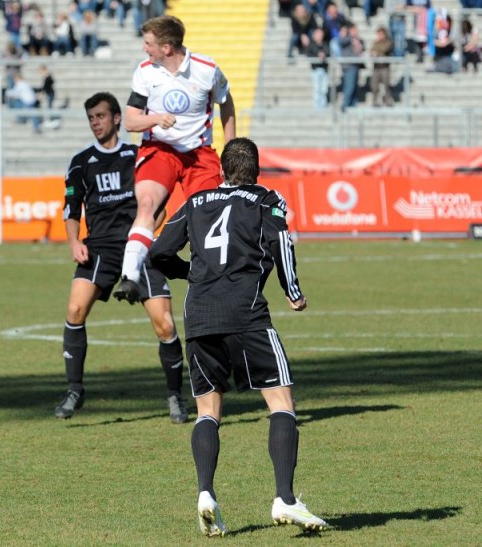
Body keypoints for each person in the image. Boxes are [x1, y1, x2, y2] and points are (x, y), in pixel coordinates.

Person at [148, 137, 328, 537]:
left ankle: (205, 494)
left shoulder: (195, 201)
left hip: (199, 316)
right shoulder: (267, 199)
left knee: (207, 410)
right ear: (257, 170)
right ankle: (285, 497)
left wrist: (189, 273)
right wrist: (292, 291)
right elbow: (281, 241)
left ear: (221, 171)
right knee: (281, 402)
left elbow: (159, 252)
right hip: (246, 313)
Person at [55, 91, 189, 424]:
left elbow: (160, 204)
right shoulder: (81, 162)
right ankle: (74, 390)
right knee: (74, 310)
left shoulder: (136, 156)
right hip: (99, 248)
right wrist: (74, 242)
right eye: (91, 118)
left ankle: (175, 395)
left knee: (165, 325)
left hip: (137, 247)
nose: (95, 123)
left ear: (117, 118)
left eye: (100, 116)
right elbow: (71, 209)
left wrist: (149, 232)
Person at [113, 15, 235, 304]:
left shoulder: (207, 69)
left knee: (209, 220)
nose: (144, 49)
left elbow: (226, 102)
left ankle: (212, 283)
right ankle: (130, 276)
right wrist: (156, 119)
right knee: (147, 203)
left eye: (149, 44)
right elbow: (131, 121)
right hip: (160, 150)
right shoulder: (145, 72)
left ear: (167, 48)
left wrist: (230, 150)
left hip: (199, 154)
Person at [338, 23, 365, 112]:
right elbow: (341, 42)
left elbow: (362, 49)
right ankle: (345, 105)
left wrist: (358, 43)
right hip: (348, 66)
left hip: (356, 65)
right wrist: (351, 38)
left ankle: (353, 104)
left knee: (355, 87)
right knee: (349, 86)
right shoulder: (346, 39)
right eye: (353, 30)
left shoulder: (358, 40)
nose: (356, 32)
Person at [305, 27, 329, 109]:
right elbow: (309, 54)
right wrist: (317, 55)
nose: (320, 36)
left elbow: (328, 53)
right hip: (315, 69)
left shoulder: (325, 44)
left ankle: (323, 105)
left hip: (324, 69)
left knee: (324, 88)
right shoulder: (311, 45)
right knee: (317, 88)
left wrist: (324, 55)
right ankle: (317, 106)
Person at [369, 26, 393, 106]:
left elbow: (384, 49)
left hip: (384, 67)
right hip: (376, 67)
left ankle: (387, 100)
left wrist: (377, 52)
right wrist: (375, 52)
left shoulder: (388, 42)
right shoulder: (375, 43)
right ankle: (375, 101)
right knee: (374, 85)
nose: (378, 36)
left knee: (386, 85)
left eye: (380, 34)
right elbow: (371, 51)